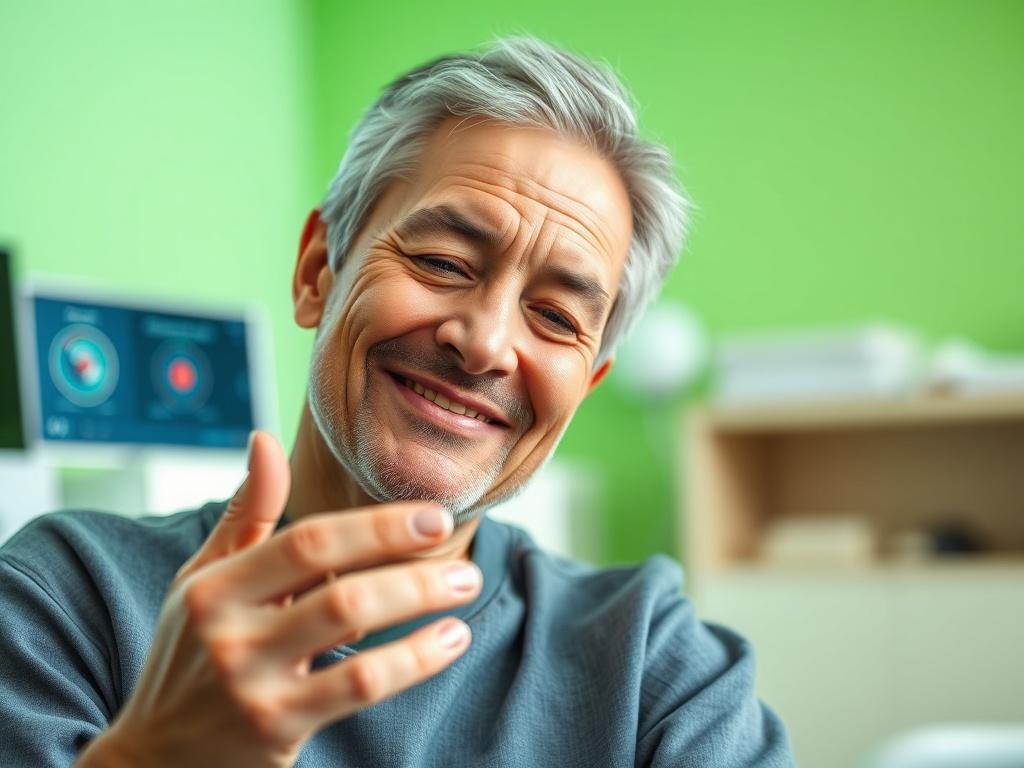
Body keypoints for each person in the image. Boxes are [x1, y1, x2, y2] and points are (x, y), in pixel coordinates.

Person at [0, 35, 795, 767]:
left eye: (554, 317)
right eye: (445, 261)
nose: (485, 343)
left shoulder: (659, 674)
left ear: (584, 385)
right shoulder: (64, 602)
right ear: (319, 271)